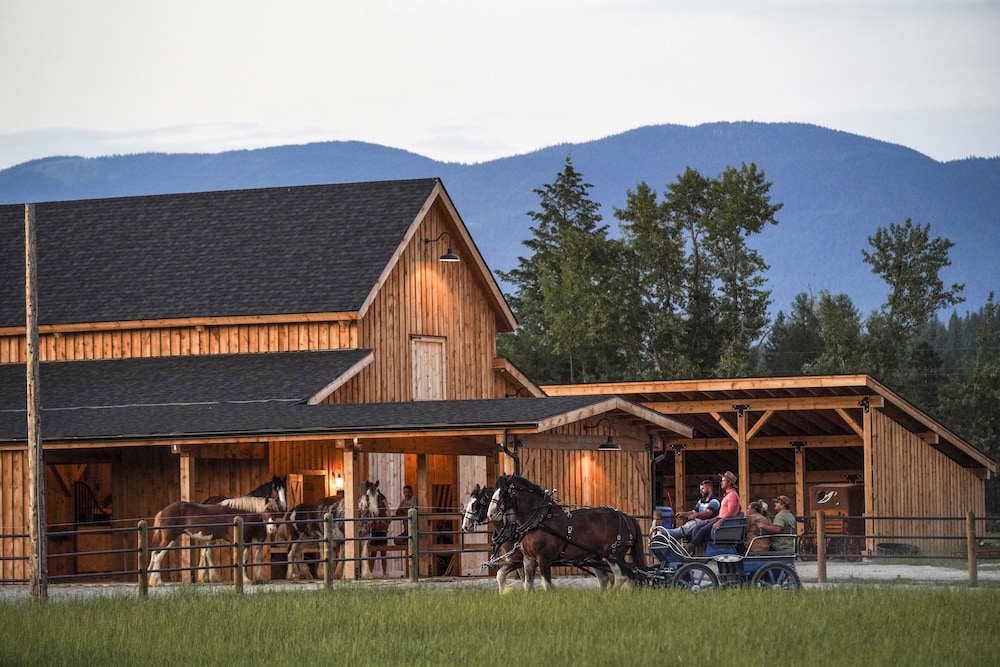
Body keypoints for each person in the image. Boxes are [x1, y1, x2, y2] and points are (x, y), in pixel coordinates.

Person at [689, 471, 741, 550]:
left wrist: (719, 521)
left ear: (729, 483)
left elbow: (731, 512)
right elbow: (722, 513)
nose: (721, 483)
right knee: (697, 528)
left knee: (702, 531)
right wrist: (710, 520)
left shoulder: (732, 495)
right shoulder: (727, 495)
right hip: (720, 519)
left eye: (723, 481)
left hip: (726, 522)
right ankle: (699, 552)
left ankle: (690, 548)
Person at [367, 491, 390, 576]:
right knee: (373, 555)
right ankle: (370, 572)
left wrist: (378, 526)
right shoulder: (373, 512)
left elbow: (386, 525)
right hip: (375, 534)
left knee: (383, 554)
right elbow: (371, 524)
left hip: (382, 534)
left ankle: (384, 573)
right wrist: (378, 526)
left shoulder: (384, 513)